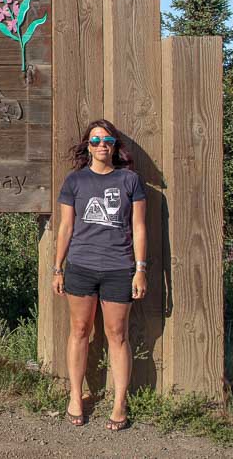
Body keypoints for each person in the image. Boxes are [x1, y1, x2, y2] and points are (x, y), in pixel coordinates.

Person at [53, 119, 148, 431]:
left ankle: (120, 402)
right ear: (88, 146)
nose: (102, 145)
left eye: (107, 140)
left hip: (119, 268)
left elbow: (139, 228)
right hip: (80, 266)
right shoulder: (74, 182)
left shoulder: (130, 180)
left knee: (117, 335)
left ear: (115, 145)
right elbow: (66, 227)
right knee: (79, 330)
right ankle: (76, 397)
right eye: (95, 141)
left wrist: (140, 270)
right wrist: (58, 267)